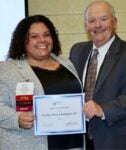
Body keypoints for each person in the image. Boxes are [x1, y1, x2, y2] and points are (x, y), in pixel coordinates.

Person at [70, 0, 126, 149]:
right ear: (86, 25)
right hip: (84, 140)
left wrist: (103, 109)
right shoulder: (77, 51)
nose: (98, 25)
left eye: (103, 19)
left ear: (115, 22)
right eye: (92, 20)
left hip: (121, 141)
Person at [0, 15, 84, 150]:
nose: (42, 40)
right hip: (29, 144)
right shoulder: (7, 69)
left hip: (73, 144)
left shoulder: (66, 63)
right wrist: (16, 118)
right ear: (23, 41)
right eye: (34, 36)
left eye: (46, 35)